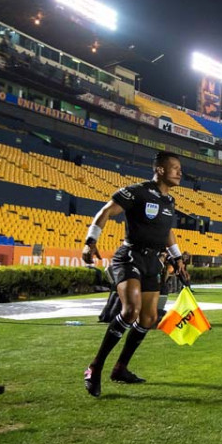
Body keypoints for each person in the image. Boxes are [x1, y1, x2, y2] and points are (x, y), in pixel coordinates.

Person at [81, 151, 189, 397]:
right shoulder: (138, 191)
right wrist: (90, 241)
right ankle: (95, 367)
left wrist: (178, 258)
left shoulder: (169, 202)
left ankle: (120, 368)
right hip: (130, 257)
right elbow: (106, 211)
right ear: (160, 169)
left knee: (148, 319)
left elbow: (167, 232)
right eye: (174, 168)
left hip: (153, 261)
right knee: (130, 311)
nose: (179, 172)